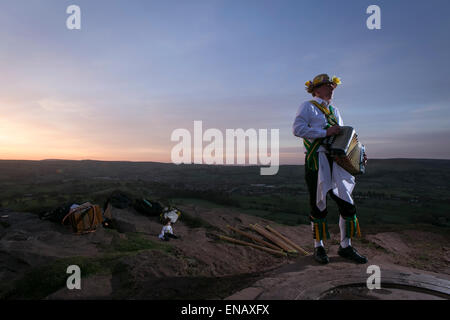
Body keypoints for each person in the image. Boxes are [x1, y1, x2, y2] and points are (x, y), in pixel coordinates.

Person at [292, 73, 368, 264]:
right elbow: (297, 129)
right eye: (327, 86)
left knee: (347, 204)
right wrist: (325, 132)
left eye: (332, 86)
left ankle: (345, 246)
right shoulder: (307, 106)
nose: (331, 88)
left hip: (337, 162)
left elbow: (344, 138)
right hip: (317, 160)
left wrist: (359, 154)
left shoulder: (335, 110)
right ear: (316, 90)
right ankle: (319, 248)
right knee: (318, 204)